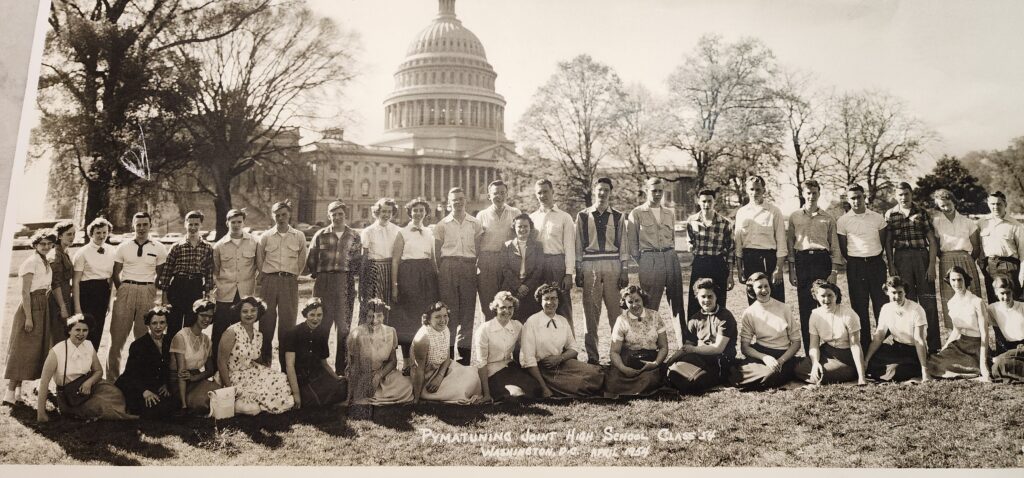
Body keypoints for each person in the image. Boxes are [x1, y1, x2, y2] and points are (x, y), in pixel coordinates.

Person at [36, 314, 136, 422]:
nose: (81, 334)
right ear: (69, 331)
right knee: (100, 405)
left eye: (85, 330)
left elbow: (98, 371)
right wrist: (41, 414)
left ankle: (122, 411)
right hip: (71, 396)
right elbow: (44, 382)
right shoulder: (57, 351)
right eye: (77, 330)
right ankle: (126, 416)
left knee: (116, 393)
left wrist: (89, 383)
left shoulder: (88, 345)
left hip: (90, 385)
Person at [575, 177, 630, 365]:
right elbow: (578, 244)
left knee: (616, 312)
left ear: (610, 192)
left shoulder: (618, 216)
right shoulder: (582, 216)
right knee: (590, 312)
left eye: (606, 190)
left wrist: (624, 269)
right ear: (594, 191)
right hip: (590, 265)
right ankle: (593, 356)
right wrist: (578, 268)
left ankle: (618, 355)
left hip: (613, 265)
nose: (602, 193)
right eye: (599, 189)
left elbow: (623, 245)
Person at [108, 211, 168, 381]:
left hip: (147, 292)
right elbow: (115, 273)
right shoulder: (123, 246)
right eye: (138, 225)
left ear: (150, 225)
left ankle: (141, 379)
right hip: (126, 290)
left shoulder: (159, 247)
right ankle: (112, 380)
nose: (141, 228)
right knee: (117, 339)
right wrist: (123, 289)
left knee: (144, 339)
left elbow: (161, 275)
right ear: (133, 226)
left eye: (145, 225)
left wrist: (150, 290)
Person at [787, 179, 844, 353]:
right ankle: (810, 352)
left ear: (819, 194)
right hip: (802, 261)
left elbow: (835, 246)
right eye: (808, 193)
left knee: (827, 305)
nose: (811, 196)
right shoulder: (794, 216)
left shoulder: (828, 218)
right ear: (803, 194)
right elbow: (790, 244)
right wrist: (792, 270)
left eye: (814, 193)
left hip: (822, 261)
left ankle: (830, 350)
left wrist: (834, 271)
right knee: (806, 308)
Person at [519, 284, 604, 398]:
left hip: (561, 362)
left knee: (596, 372)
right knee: (580, 384)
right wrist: (544, 388)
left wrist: (559, 358)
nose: (550, 302)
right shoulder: (532, 322)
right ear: (540, 301)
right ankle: (553, 386)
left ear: (558, 300)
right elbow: (528, 359)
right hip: (542, 369)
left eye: (554, 298)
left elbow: (573, 348)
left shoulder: (562, 320)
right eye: (546, 299)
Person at [885, 182, 941, 353]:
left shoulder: (921, 212)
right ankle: (909, 345)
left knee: (928, 302)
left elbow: (932, 240)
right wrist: (891, 265)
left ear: (911, 194)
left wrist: (931, 265)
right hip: (901, 258)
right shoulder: (891, 214)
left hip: (921, 256)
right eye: (900, 194)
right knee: (906, 301)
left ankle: (934, 347)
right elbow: (888, 242)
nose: (904, 197)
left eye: (907, 194)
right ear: (896, 196)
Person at [307, 199, 361, 373]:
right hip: (324, 282)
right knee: (321, 325)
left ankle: (341, 371)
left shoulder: (354, 235)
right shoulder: (320, 234)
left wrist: (346, 275)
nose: (337, 217)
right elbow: (311, 259)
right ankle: (318, 368)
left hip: (345, 282)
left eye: (340, 214)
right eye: (334, 214)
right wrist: (321, 275)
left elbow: (357, 262)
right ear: (328, 215)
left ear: (346, 215)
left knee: (344, 328)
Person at [626, 178, 684, 337]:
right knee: (650, 304)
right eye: (654, 191)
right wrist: (644, 261)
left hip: (670, 257)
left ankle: (683, 342)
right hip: (649, 259)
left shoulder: (669, 213)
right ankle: (648, 341)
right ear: (646, 191)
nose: (657, 194)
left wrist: (670, 255)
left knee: (677, 303)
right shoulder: (636, 213)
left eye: (660, 191)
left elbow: (672, 238)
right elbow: (632, 244)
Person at [217, 296, 294, 415]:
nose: (249, 314)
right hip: (233, 375)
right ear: (239, 313)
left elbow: (255, 358)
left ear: (258, 312)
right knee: (262, 392)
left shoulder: (258, 335)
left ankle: (261, 404)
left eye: (253, 311)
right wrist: (229, 389)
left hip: (251, 371)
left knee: (280, 379)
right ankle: (256, 404)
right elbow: (221, 362)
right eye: (245, 311)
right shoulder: (232, 332)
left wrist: (266, 371)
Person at [4, 229, 55, 405]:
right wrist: (28, 317)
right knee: (23, 349)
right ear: (35, 245)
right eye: (42, 244)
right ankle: (9, 393)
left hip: (43, 305)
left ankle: (18, 393)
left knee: (33, 350)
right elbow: (25, 292)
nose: (46, 247)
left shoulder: (45, 261)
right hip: (31, 306)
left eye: (49, 244)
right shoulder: (31, 262)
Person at [256, 200, 309, 367]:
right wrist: (266, 276)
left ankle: (286, 367)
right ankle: (265, 364)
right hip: (269, 281)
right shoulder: (265, 236)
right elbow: (260, 259)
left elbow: (302, 259)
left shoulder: (299, 236)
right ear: (273, 216)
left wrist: (293, 275)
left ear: (289, 215)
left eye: (284, 214)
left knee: (288, 324)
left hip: (289, 282)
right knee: (266, 322)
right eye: (277, 215)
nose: (281, 218)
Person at [433, 187, 484, 364]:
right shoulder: (442, 225)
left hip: (468, 267)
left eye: (461, 199)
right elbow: (436, 252)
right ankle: (447, 360)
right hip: (448, 266)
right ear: (449, 202)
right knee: (449, 313)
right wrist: (444, 270)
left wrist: (471, 266)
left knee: (467, 314)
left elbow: (478, 249)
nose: (458, 202)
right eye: (454, 200)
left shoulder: (475, 223)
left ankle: (464, 361)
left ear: (465, 200)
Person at [728, 273, 801, 390]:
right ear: (752, 290)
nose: (764, 290)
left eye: (766, 286)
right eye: (759, 287)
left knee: (770, 374)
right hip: (761, 354)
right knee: (740, 374)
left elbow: (796, 342)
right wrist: (764, 357)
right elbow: (745, 348)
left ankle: (759, 377)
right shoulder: (749, 312)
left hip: (783, 355)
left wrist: (781, 361)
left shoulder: (784, 308)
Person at [837, 183, 888, 349]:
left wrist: (872, 256)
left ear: (864, 197)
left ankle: (882, 345)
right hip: (856, 266)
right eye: (852, 198)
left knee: (881, 304)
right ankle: (865, 346)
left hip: (876, 264)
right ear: (848, 200)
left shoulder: (877, 218)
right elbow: (844, 249)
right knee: (859, 306)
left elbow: (882, 242)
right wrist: (858, 259)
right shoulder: (843, 221)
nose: (856, 201)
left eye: (859, 197)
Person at [666, 278, 737, 394]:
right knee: (673, 371)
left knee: (694, 381)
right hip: (700, 359)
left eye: (710, 296)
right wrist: (669, 361)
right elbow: (687, 347)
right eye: (703, 296)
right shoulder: (694, 319)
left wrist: (694, 349)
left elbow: (718, 348)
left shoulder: (725, 317)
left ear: (716, 297)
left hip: (720, 361)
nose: (706, 300)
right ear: (697, 297)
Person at [931, 189, 984, 335]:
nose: (946, 208)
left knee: (971, 296)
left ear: (954, 202)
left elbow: (976, 247)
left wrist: (968, 260)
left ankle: (976, 335)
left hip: (966, 260)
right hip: (946, 260)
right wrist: (945, 258)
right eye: (942, 206)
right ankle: (956, 336)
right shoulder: (936, 222)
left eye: (948, 204)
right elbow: (936, 246)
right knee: (951, 298)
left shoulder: (968, 222)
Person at [794, 280, 867, 385]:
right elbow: (814, 346)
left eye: (830, 295)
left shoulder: (848, 314)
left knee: (822, 374)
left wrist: (862, 378)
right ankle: (824, 372)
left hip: (847, 355)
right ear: (816, 297)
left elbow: (855, 345)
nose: (826, 299)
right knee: (798, 369)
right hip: (828, 352)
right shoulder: (815, 315)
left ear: (836, 295)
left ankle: (852, 371)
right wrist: (815, 363)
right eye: (822, 296)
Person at [473, 291, 542, 402]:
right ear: (496, 309)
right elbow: (481, 363)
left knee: (535, 389)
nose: (507, 311)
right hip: (491, 372)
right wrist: (486, 394)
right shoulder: (484, 329)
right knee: (513, 396)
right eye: (502, 308)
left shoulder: (517, 326)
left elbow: (528, 347)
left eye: (510, 307)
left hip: (509, 367)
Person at [391, 197, 438, 359]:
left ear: (426, 212)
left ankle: (424, 357)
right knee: (408, 317)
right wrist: (395, 286)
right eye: (415, 210)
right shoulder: (402, 233)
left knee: (426, 314)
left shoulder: (430, 232)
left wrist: (436, 278)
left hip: (426, 276)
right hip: (408, 275)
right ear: (410, 213)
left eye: (421, 210)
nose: (418, 213)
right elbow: (395, 260)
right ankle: (406, 359)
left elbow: (432, 258)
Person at [156, 210, 214, 339]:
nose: (193, 227)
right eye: (190, 224)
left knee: (191, 324)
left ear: (201, 225)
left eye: (196, 224)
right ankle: (170, 351)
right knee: (173, 324)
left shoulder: (207, 247)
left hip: (196, 287)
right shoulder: (177, 246)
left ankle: (188, 351)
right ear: (185, 224)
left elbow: (209, 272)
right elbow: (167, 272)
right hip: (178, 286)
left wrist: (207, 294)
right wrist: (164, 296)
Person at [926, 266, 992, 380]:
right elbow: (956, 330)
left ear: (965, 280)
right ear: (949, 281)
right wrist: (943, 350)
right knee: (932, 361)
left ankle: (975, 367)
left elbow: (985, 334)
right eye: (953, 280)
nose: (957, 283)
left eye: (959, 279)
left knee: (943, 365)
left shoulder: (977, 302)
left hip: (976, 347)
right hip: (960, 344)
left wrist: (983, 363)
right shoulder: (951, 302)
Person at [410, 302, 482, 404]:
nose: (443, 320)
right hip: (426, 378)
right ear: (428, 319)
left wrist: (439, 377)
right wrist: (416, 399)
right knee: (462, 388)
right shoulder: (423, 338)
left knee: (473, 375)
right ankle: (427, 394)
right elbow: (419, 370)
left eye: (445, 315)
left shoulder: (445, 329)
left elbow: (446, 357)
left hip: (441, 370)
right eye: (437, 317)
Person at [115, 306, 180, 418]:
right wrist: (144, 391)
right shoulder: (138, 345)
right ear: (148, 325)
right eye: (154, 323)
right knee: (154, 411)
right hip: (136, 386)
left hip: (155, 386)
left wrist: (166, 384)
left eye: (162, 323)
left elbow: (167, 367)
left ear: (166, 324)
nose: (158, 327)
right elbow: (131, 374)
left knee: (174, 405)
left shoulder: (169, 341)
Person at [604, 285, 668, 398]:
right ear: (625, 303)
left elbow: (663, 347)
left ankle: (637, 387)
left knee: (651, 379)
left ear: (643, 299)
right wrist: (624, 369)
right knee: (613, 382)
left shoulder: (655, 316)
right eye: (630, 302)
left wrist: (655, 363)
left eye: (637, 300)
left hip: (651, 361)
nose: (634, 305)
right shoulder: (621, 320)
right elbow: (614, 352)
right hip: (628, 361)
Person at [284, 298, 349, 409]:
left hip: (318, 376)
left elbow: (324, 363)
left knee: (346, 386)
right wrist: (296, 393)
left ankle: (324, 398)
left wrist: (336, 378)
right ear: (306, 315)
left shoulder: (322, 333)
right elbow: (289, 366)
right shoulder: (293, 333)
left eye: (319, 315)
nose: (315, 319)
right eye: (312, 315)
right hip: (300, 379)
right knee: (311, 400)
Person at [346, 298, 413, 405]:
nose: (374, 320)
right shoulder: (356, 335)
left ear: (384, 316)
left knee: (407, 384)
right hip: (364, 374)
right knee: (362, 395)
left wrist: (379, 376)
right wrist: (358, 386)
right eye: (370, 316)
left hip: (383, 374)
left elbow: (393, 361)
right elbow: (354, 365)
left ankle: (380, 395)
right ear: (365, 317)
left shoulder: (390, 331)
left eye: (379, 316)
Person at [212, 208, 258, 360]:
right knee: (220, 331)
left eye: (239, 222)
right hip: (225, 294)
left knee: (244, 331)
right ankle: (216, 366)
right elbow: (216, 270)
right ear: (227, 223)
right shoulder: (219, 246)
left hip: (245, 295)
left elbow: (258, 266)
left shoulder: (254, 242)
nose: (236, 225)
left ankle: (241, 364)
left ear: (244, 223)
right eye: (233, 222)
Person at [864, 276, 930, 382]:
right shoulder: (886, 308)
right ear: (887, 292)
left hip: (914, 350)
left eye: (900, 292)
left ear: (905, 292)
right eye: (893, 293)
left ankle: (899, 370)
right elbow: (879, 337)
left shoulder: (916, 309)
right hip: (896, 348)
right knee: (872, 359)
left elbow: (919, 340)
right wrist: (866, 360)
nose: (897, 296)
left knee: (897, 370)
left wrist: (925, 371)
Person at [735, 175, 788, 304]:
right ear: (746, 190)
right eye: (751, 189)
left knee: (775, 299)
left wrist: (778, 269)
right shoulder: (741, 212)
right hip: (750, 259)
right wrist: (740, 268)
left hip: (769, 259)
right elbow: (738, 243)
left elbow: (781, 242)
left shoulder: (774, 211)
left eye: (758, 189)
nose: (754, 193)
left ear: (764, 190)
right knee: (754, 299)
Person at [529, 179, 576, 321]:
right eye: (539, 193)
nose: (542, 196)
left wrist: (569, 274)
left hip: (557, 264)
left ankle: (567, 335)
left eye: (545, 192)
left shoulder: (564, 217)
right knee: (539, 304)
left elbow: (569, 247)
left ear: (552, 192)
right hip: (537, 265)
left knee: (562, 304)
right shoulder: (532, 218)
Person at [476, 180, 522, 322]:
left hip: (509, 261)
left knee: (508, 301)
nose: (499, 196)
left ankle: (509, 334)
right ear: (489, 196)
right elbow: (476, 242)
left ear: (507, 194)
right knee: (488, 304)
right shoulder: (482, 215)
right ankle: (488, 332)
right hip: (487, 261)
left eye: (502, 193)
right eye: (495, 193)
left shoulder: (515, 212)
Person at [685, 189, 735, 318]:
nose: (706, 204)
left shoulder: (725, 223)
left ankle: (718, 328)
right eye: (703, 201)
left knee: (718, 299)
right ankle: (694, 329)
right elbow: (689, 241)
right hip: (699, 264)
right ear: (698, 202)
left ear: (714, 202)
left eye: (709, 201)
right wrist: (691, 247)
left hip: (717, 264)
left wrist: (730, 275)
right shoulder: (692, 221)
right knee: (696, 299)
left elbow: (730, 251)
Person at [169, 299, 220, 413]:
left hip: (195, 378)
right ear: (195, 315)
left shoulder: (206, 340)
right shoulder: (181, 336)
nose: (207, 319)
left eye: (210, 316)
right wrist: (183, 406)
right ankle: (186, 403)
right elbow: (181, 374)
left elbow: (210, 370)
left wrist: (196, 377)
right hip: (178, 382)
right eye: (203, 315)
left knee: (219, 392)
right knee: (203, 402)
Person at [73, 217, 115, 350]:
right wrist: (77, 308)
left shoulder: (112, 250)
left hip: (103, 292)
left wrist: (109, 302)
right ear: (91, 233)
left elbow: (111, 279)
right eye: (98, 233)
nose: (102, 236)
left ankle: (92, 360)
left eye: (104, 232)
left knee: (97, 331)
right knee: (84, 331)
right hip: (86, 293)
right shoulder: (82, 253)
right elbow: (75, 282)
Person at [977, 191, 1024, 302]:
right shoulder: (982, 223)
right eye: (992, 204)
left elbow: (1023, 252)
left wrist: (1022, 274)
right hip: (990, 265)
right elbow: (979, 246)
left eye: (999, 204)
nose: (995, 207)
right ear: (988, 204)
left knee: (1011, 300)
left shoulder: (1015, 225)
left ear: (1005, 204)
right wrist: (983, 265)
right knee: (994, 301)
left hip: (1009, 266)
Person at [360, 198, 401, 324]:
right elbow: (364, 259)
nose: (386, 214)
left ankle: (388, 334)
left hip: (392, 270)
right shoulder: (368, 231)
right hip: (374, 271)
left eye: (389, 212)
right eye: (383, 211)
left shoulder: (398, 230)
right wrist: (362, 284)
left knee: (391, 305)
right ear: (377, 212)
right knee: (374, 305)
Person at [500, 214, 545, 322]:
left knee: (531, 320)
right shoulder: (507, 246)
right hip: (511, 287)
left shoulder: (537, 246)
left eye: (526, 226)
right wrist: (518, 286)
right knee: (511, 320)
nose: (522, 229)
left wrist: (526, 286)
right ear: (514, 228)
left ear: (530, 227)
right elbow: (505, 268)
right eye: (519, 226)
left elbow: (539, 268)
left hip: (531, 288)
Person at [988, 276, 1024, 382]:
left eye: (1008, 293)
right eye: (1002, 293)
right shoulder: (992, 309)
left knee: (1000, 363)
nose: (1006, 297)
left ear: (1012, 292)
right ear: (996, 293)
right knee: (998, 365)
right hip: (1008, 349)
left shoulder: (1022, 306)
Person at [47, 221, 76, 348]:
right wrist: (62, 306)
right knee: (58, 335)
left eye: (74, 234)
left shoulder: (64, 252)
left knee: (64, 333)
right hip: (58, 300)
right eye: (69, 234)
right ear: (59, 236)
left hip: (65, 296)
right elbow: (55, 284)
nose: (72, 237)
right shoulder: (56, 255)